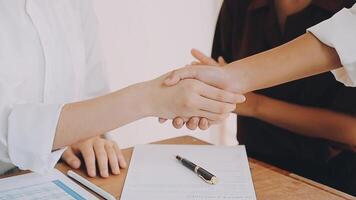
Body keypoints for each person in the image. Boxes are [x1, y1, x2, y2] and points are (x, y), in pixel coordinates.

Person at [0, 0, 245, 177]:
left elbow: (92, 95)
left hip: (58, 176)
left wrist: (84, 137)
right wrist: (149, 98)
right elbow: (7, 131)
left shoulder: (74, 5)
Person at [164, 1, 356, 195]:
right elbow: (221, 85)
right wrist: (207, 94)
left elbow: (351, 130)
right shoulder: (237, 6)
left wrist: (251, 103)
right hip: (250, 166)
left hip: (330, 180)